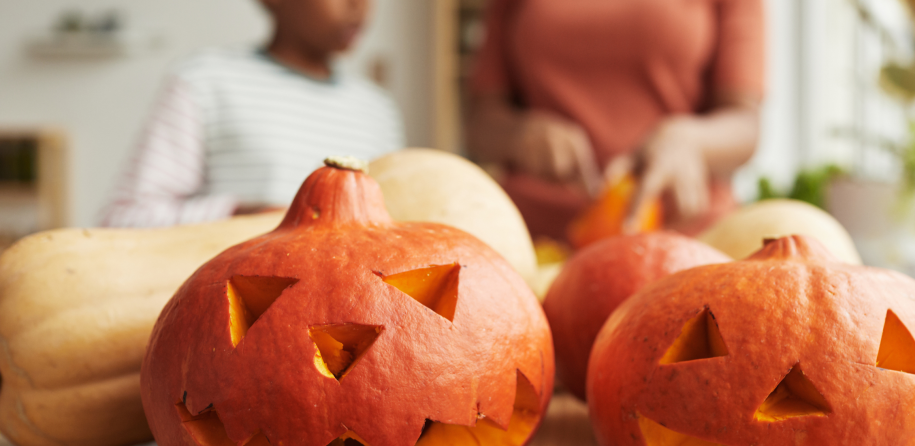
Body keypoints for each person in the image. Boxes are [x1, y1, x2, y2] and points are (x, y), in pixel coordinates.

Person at [466, 0, 764, 239]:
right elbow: (481, 120)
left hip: (685, 236)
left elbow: (744, 122)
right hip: (532, 238)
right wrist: (520, 136)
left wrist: (687, 140)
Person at [103, 0, 403, 227]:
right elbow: (123, 218)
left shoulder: (378, 110)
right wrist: (240, 216)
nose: (359, 6)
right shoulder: (204, 81)